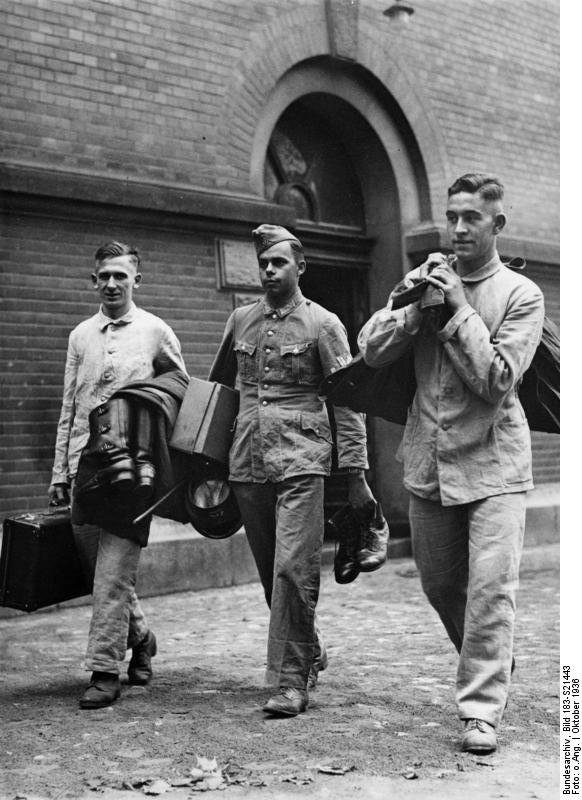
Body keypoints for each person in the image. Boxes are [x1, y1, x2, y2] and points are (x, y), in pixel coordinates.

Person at [358, 174, 545, 754]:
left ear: (497, 224)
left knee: (491, 591)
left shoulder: (521, 295)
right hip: (430, 463)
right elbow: (369, 350)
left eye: (472, 218)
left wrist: (461, 310)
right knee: (442, 586)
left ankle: (481, 709)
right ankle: (492, 654)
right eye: (452, 217)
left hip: (495, 466)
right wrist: (414, 309)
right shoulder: (424, 280)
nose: (459, 229)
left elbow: (497, 381)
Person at [210, 224, 378, 717]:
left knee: (293, 568)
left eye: (278, 263)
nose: (268, 271)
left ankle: (290, 681)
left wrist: (356, 474)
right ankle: (308, 646)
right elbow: (221, 391)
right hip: (247, 459)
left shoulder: (323, 324)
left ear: (299, 267)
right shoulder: (240, 320)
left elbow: (349, 404)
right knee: (271, 573)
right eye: (263, 263)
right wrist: (207, 464)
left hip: (303, 457)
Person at [48, 241, 187, 709]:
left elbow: (180, 392)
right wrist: (60, 472)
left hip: (136, 471)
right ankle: (142, 639)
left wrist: (142, 412)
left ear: (135, 281)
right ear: (94, 280)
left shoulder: (155, 331)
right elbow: (70, 406)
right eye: (104, 276)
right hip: (86, 468)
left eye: (120, 276)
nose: (111, 284)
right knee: (102, 574)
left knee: (112, 576)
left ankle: (104, 670)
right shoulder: (80, 335)